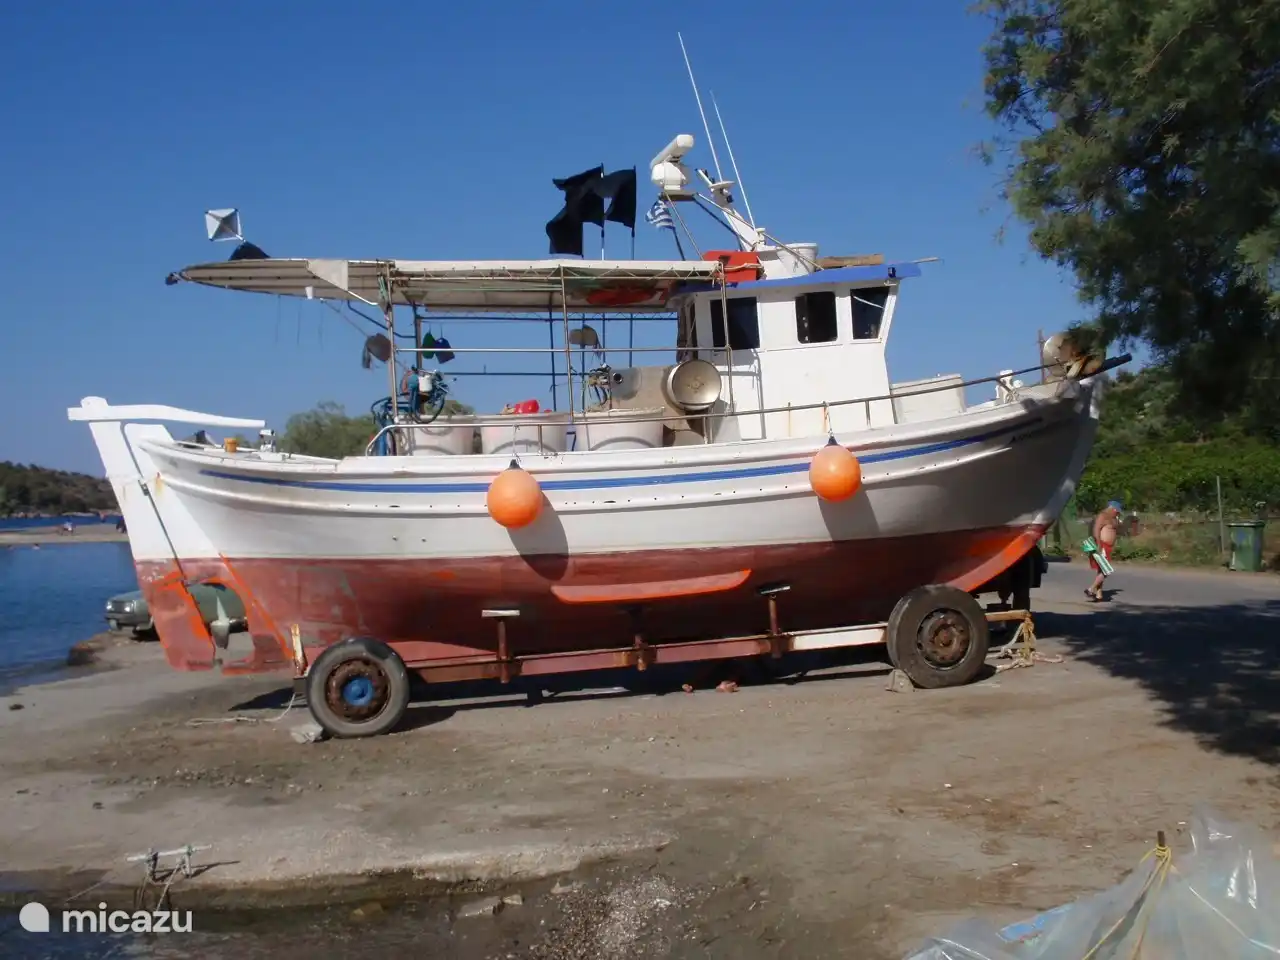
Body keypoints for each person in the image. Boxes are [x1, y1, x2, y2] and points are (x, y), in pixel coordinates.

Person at [1086, 500, 1123, 601]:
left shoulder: (1113, 518)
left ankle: (1099, 594)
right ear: (1112, 508)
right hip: (1102, 545)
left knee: (1101, 570)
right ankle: (1091, 589)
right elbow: (1096, 530)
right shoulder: (1103, 516)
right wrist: (1098, 544)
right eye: (1117, 511)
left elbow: (1116, 529)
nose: (1118, 513)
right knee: (1106, 570)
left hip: (1108, 546)